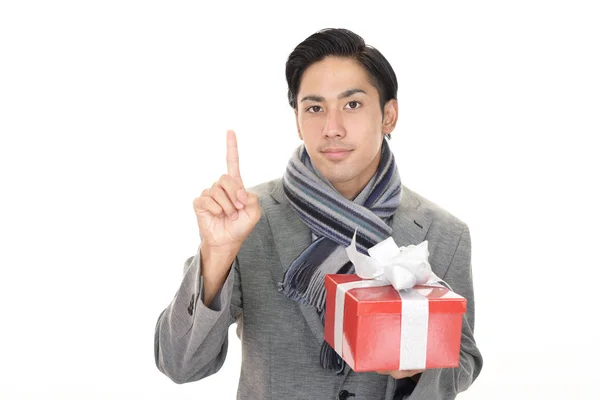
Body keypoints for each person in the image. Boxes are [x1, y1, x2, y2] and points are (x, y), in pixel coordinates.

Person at [154, 28, 483, 399]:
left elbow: (462, 359)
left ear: (389, 115)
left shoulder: (443, 233)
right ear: (297, 121)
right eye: (314, 108)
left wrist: (415, 370)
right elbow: (179, 365)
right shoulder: (246, 220)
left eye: (352, 104)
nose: (332, 128)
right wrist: (216, 256)